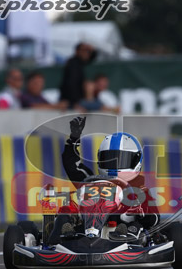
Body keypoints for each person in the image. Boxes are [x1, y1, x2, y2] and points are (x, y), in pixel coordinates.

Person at [47, 116, 160, 245]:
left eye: (122, 159)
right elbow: (72, 165)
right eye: (109, 158)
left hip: (122, 233)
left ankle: (125, 235)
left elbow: (154, 218)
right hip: (85, 233)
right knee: (66, 211)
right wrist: (74, 139)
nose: (115, 165)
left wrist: (138, 211)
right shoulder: (90, 182)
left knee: (132, 222)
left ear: (136, 160)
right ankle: (61, 238)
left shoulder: (139, 190)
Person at [59, 42, 97, 109]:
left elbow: (91, 58)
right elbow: (71, 84)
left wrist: (93, 51)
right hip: (72, 102)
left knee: (96, 104)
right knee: (96, 106)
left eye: (87, 51)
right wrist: (74, 103)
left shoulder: (79, 63)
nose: (86, 53)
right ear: (77, 51)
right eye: (84, 50)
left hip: (76, 101)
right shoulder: (73, 64)